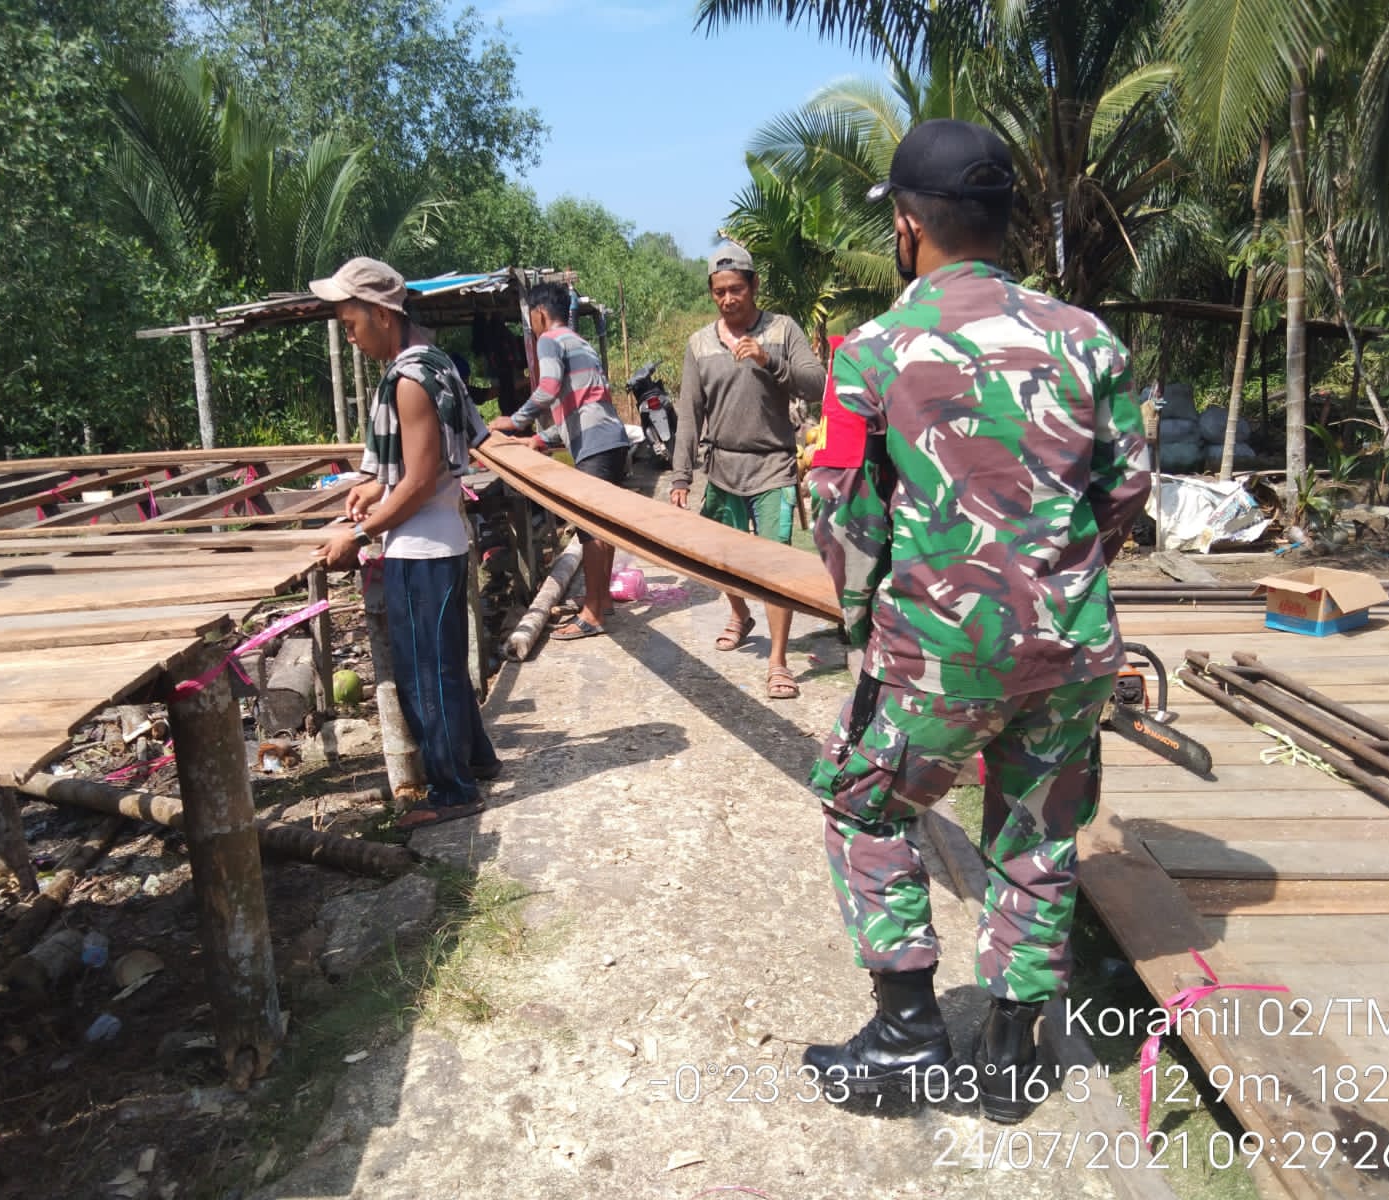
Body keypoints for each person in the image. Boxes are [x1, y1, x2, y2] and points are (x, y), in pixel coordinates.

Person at [801, 120, 1151, 1122]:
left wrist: (867, 616)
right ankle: (1008, 1054)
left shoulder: (868, 353)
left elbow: (844, 516)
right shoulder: (1088, 337)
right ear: (1000, 220)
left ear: (906, 224)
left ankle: (909, 1033)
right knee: (1038, 828)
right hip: (1072, 643)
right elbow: (1126, 487)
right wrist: (1059, 574)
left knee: (863, 804)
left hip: (939, 654)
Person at [311, 257, 500, 830]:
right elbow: (426, 466)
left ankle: (453, 790)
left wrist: (359, 534)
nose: (350, 335)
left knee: (426, 672)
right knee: (439, 663)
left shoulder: (411, 380)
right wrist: (373, 486)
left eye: (352, 323)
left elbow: (420, 481)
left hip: (423, 547)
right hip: (435, 539)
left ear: (382, 314)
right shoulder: (433, 363)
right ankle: (476, 759)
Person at [670, 242, 825, 700]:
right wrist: (681, 477)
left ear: (754, 286)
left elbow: (818, 383)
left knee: (775, 567)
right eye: (719, 292)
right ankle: (739, 613)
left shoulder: (781, 330)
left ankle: (777, 661)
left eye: (736, 289)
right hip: (722, 468)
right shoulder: (699, 343)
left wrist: (768, 360)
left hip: (773, 464)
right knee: (722, 562)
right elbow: (688, 412)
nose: (728, 299)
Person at [490, 282, 632, 639]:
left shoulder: (549, 340)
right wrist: (538, 438)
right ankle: (602, 601)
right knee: (605, 526)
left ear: (539, 314)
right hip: (612, 439)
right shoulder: (580, 342)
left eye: (531, 319)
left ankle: (593, 615)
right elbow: (582, 406)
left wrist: (516, 419)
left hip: (595, 446)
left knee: (589, 530)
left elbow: (548, 389)